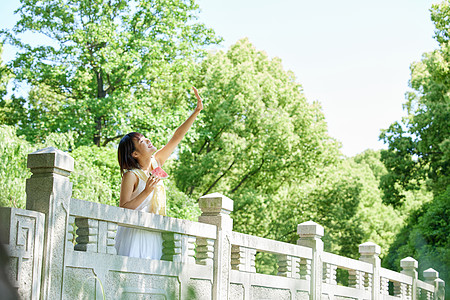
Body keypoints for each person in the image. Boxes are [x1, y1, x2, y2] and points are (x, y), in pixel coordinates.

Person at [114, 87, 203, 259]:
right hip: (134, 234)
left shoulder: (157, 162)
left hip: (153, 231)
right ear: (135, 154)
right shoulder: (131, 175)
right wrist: (146, 191)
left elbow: (176, 137)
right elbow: (123, 208)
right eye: (142, 141)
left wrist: (196, 111)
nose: (147, 140)